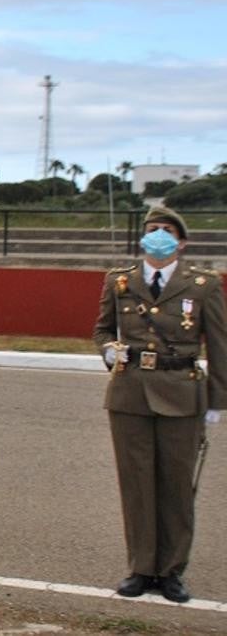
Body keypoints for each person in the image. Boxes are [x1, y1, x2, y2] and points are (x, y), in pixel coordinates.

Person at [92, 205, 224, 604]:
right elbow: (101, 329)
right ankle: (141, 567)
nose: (158, 235)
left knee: (176, 488)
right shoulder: (119, 281)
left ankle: (171, 571)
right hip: (129, 393)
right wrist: (109, 350)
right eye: (152, 229)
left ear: (181, 243)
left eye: (167, 230)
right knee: (136, 485)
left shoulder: (202, 285)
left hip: (181, 394)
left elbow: (219, 345)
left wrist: (218, 400)